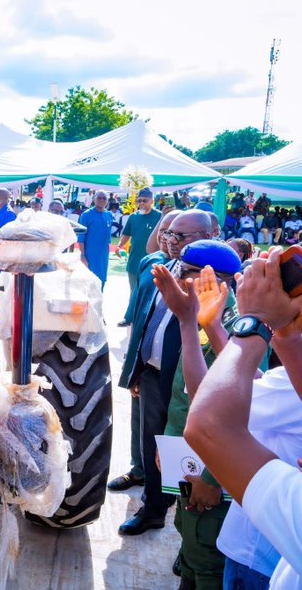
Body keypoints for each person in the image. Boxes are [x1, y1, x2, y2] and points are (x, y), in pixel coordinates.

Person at [185, 250, 302, 589]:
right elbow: (256, 384)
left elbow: (211, 418)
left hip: (258, 555)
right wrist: (281, 333)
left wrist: (254, 321)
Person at [116, 210, 213, 535]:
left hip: (188, 383)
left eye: (180, 236)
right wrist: (137, 370)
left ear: (206, 236)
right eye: (168, 233)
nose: (170, 241)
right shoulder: (162, 268)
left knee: (184, 451)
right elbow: (144, 323)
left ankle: (188, 520)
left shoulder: (214, 281)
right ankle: (154, 509)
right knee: (152, 444)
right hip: (152, 374)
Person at [152, 242, 241, 589]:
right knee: (189, 545)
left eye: (185, 272)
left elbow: (237, 415)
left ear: (214, 280)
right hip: (188, 460)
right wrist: (169, 444)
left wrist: (212, 479)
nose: (176, 280)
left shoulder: (237, 331)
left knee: (207, 559)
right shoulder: (199, 318)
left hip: (211, 473)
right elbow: (183, 397)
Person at [117, 189, 162, 326]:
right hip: (134, 261)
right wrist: (119, 246)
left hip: (154, 261)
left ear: (152, 201)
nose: (141, 203)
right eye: (139, 200)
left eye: (145, 200)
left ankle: (147, 319)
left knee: (151, 291)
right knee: (133, 290)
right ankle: (130, 318)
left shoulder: (160, 216)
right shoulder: (133, 217)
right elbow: (126, 234)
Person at [78, 190, 113, 289]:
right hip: (90, 254)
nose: (102, 200)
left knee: (102, 280)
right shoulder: (86, 215)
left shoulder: (109, 215)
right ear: (94, 199)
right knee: (90, 281)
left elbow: (108, 238)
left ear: (107, 201)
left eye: (104, 198)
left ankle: (99, 298)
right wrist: (83, 256)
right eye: (99, 198)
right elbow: (81, 238)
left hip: (103, 254)